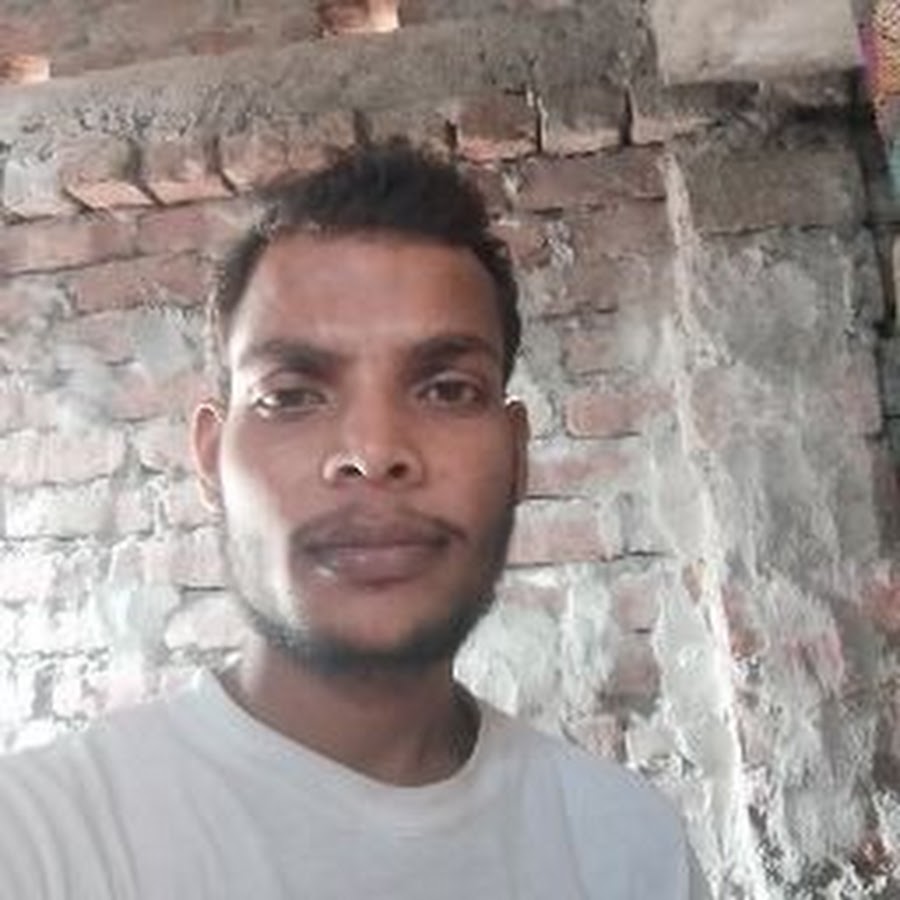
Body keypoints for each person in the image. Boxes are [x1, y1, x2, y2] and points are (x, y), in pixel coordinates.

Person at [0, 141, 710, 899]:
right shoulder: (41, 841)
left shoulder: (629, 849)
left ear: (517, 453)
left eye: (446, 390)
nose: (373, 453)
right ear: (209, 459)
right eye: (291, 396)